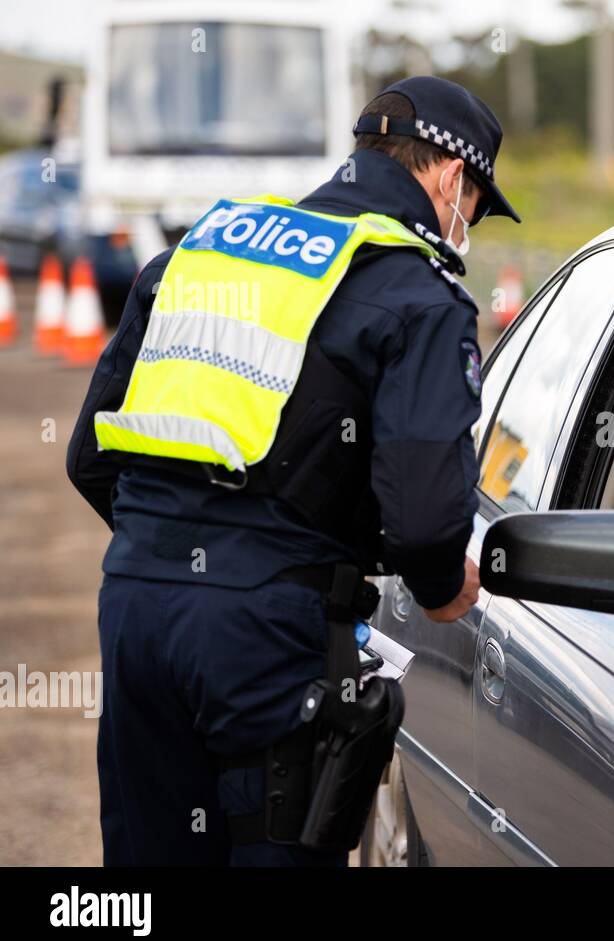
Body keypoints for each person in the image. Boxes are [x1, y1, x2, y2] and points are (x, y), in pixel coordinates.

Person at [66, 76, 520, 865]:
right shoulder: (420, 296)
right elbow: (422, 524)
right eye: (476, 204)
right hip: (266, 634)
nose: (468, 224)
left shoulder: (199, 256)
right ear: (452, 179)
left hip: (136, 606)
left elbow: (90, 458)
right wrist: (448, 589)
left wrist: (184, 550)